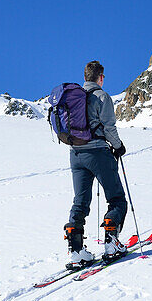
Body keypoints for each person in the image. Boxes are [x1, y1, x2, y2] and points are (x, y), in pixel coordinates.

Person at [64, 60, 128, 266]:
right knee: (116, 197)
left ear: (85, 77)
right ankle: (111, 243)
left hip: (75, 154)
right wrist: (118, 146)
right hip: (98, 153)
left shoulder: (72, 97)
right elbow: (109, 127)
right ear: (101, 77)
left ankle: (76, 251)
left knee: (80, 201)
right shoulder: (102, 96)